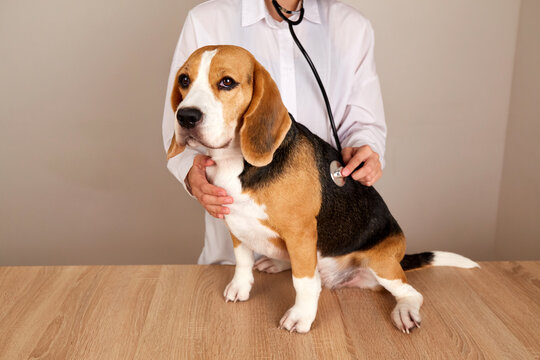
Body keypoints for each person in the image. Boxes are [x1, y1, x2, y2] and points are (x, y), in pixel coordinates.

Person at [162, 0, 387, 265]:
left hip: (324, 259)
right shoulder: (206, 19)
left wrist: (365, 149)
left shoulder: (352, 26)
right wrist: (191, 172)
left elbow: (364, 123)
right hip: (232, 260)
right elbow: (178, 120)